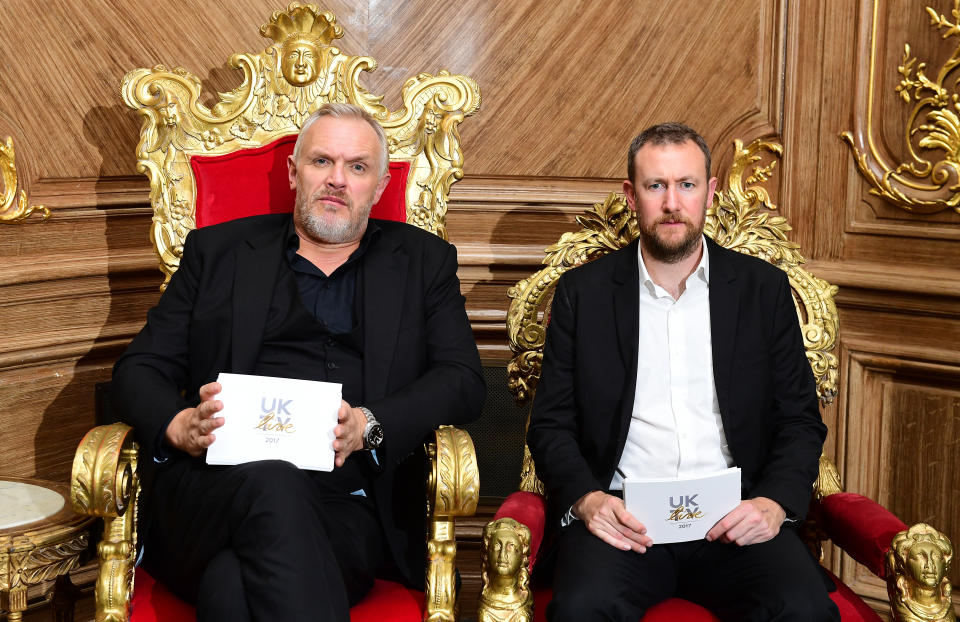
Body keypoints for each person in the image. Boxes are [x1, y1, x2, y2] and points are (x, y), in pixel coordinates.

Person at [111, 102, 485, 621]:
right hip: (212, 488)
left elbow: (464, 380)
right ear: (293, 172)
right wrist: (178, 426)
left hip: (347, 501)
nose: (337, 180)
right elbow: (137, 370)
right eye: (321, 162)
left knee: (229, 588)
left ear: (379, 188)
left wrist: (369, 426)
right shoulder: (217, 253)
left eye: (357, 167)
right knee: (271, 481)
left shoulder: (423, 262)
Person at [526, 122, 839, 621]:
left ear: (710, 193)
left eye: (687, 185)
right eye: (656, 186)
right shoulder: (582, 294)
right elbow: (550, 424)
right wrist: (586, 501)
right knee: (582, 608)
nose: (673, 203)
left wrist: (775, 504)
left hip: (735, 519)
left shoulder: (763, 291)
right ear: (631, 195)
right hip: (625, 522)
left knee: (803, 608)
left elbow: (800, 419)